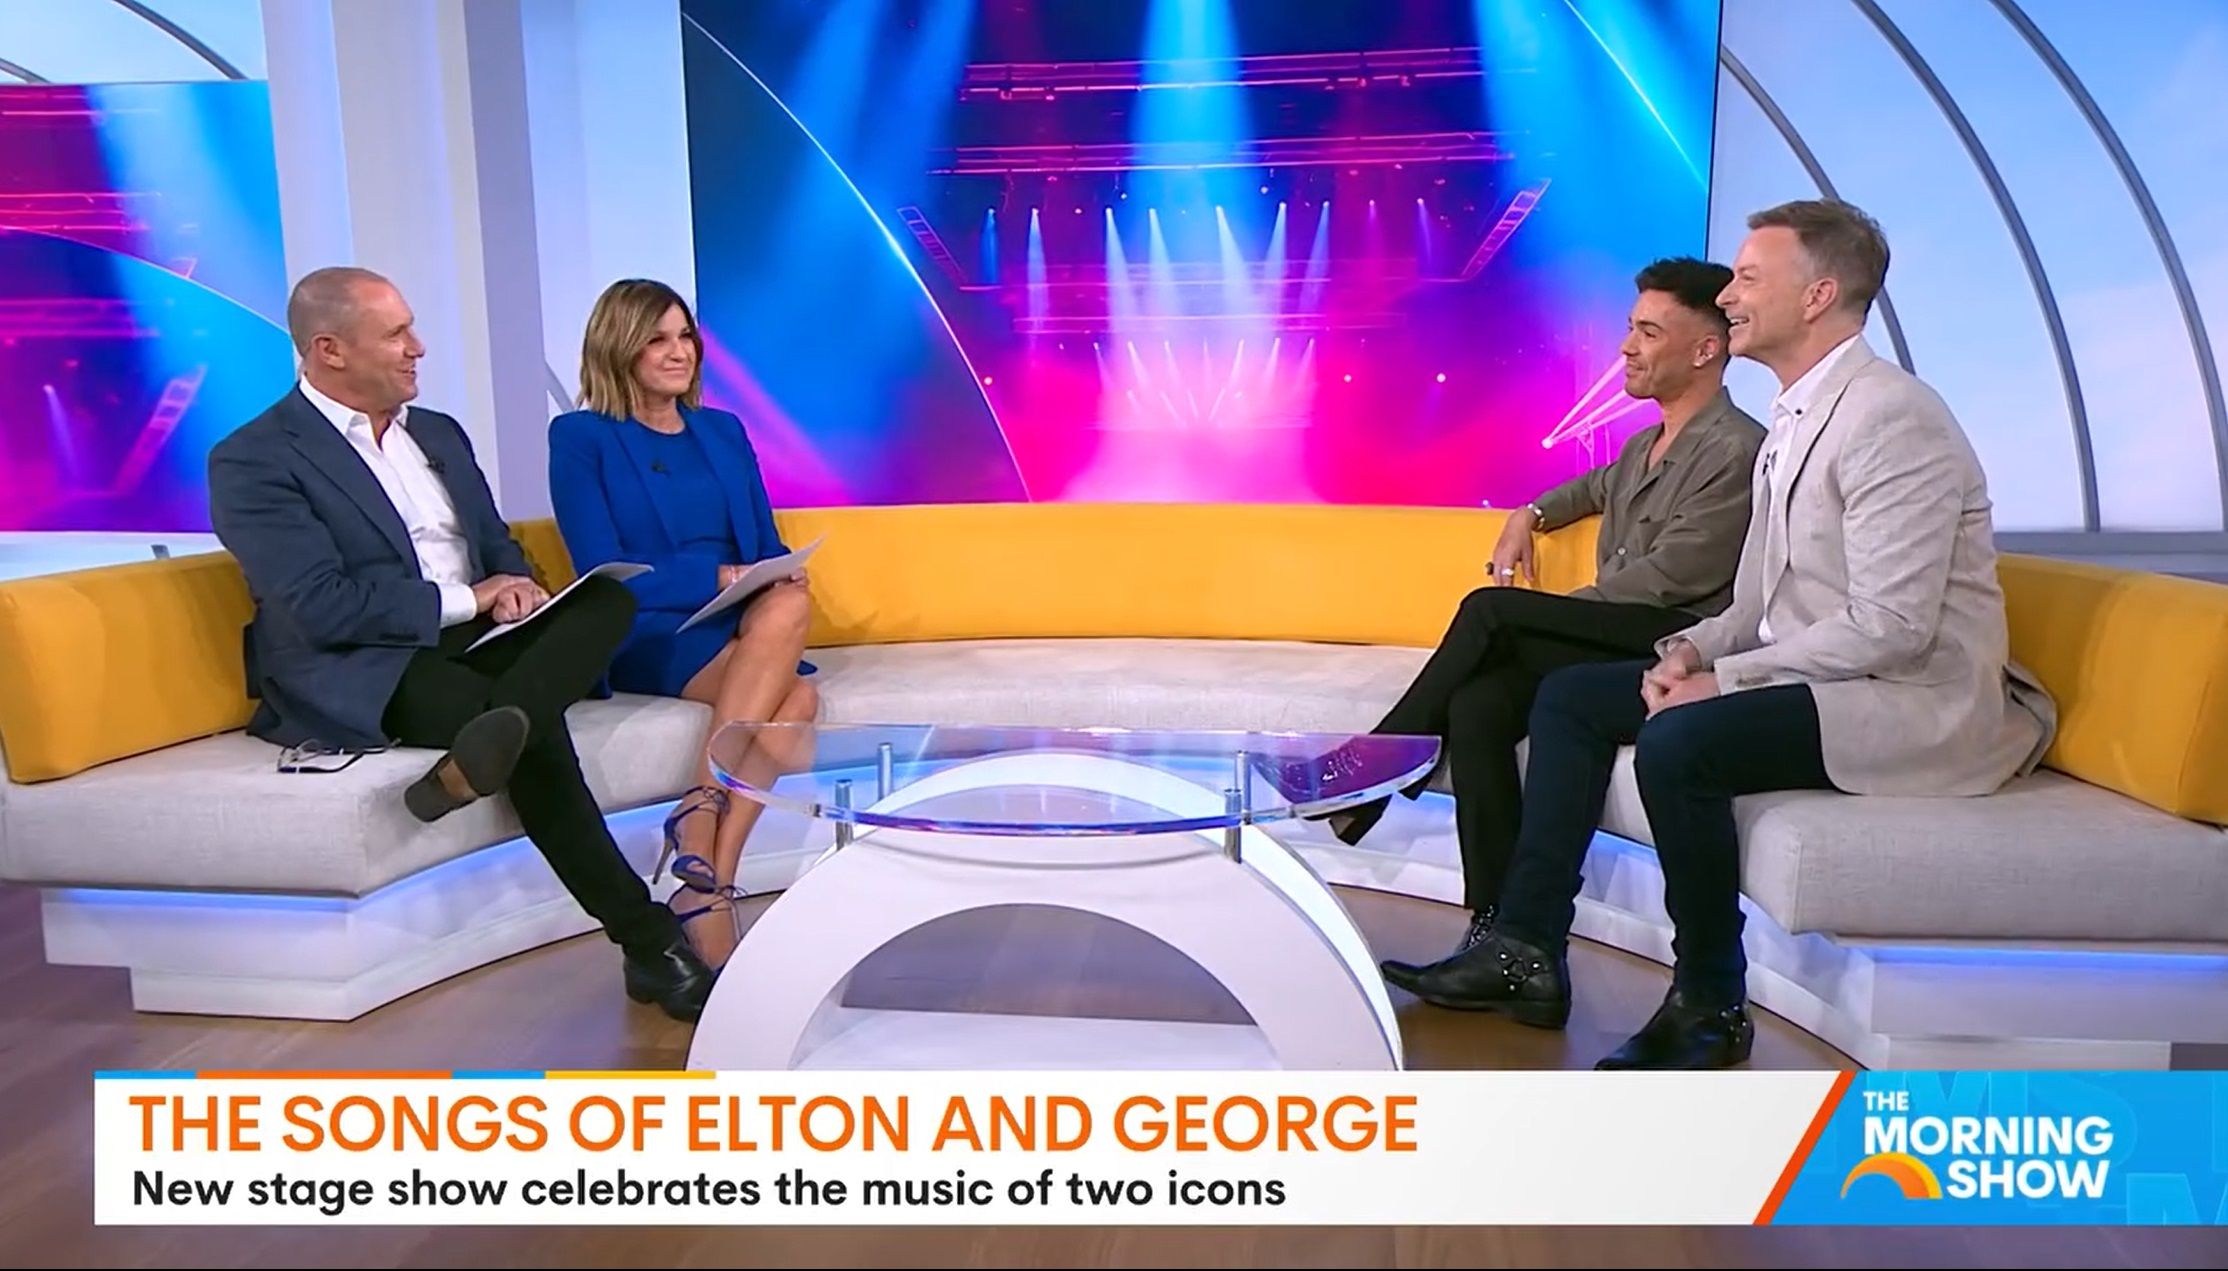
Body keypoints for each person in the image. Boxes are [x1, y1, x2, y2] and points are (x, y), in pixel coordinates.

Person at [1388, 200, 2057, 1070]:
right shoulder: (1794, 419)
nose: (1730, 295)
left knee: (1681, 743)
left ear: (1817, 295)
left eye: (1747, 278)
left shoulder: (1893, 417)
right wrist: (1690, 651)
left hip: (1905, 698)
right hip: (1824, 673)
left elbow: (1891, 628)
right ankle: (1524, 946)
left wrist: (1727, 681)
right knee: (1571, 698)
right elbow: (1755, 602)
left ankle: (1709, 1002)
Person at [207, 266, 714, 1022]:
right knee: (532, 731)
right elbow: (319, 605)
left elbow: (496, 545)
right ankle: (650, 941)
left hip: (486, 639)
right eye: (396, 334)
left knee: (606, 598)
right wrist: (469, 599)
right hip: (371, 664)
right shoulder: (256, 458)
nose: (418, 347)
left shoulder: (437, 433)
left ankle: (476, 758)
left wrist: (515, 585)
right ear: (329, 349)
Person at [1302, 258, 1764, 968]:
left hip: (1674, 639)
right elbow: (1592, 488)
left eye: (1648, 332)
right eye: (1629, 328)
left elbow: (1672, 579)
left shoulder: (1734, 449)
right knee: (1480, 705)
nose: (1626, 347)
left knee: (1492, 610)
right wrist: (1531, 513)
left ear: (1705, 350)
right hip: (1618, 630)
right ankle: (1497, 932)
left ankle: (1369, 767)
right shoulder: (1644, 445)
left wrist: (1544, 614)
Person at [549, 278, 817, 971]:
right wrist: (720, 578)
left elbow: (762, 540)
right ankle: (704, 829)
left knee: (790, 609)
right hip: (647, 626)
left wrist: (775, 572)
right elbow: (602, 568)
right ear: (619, 347)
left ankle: (709, 877)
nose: (680, 352)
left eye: (685, 337)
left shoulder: (722, 430)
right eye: (658, 339)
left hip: (738, 622)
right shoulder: (582, 437)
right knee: (795, 700)